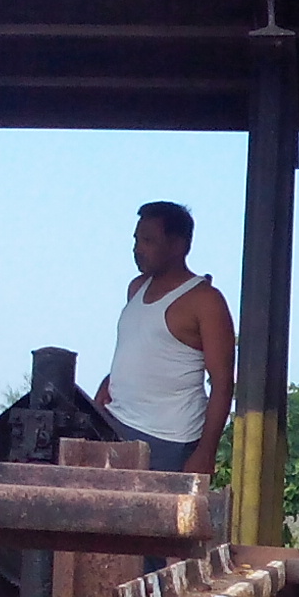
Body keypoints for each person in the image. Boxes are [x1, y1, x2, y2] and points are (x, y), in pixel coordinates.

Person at [98, 199, 235, 474]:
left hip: (169, 440)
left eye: (148, 240)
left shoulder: (205, 301)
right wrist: (104, 390)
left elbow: (222, 383)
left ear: (178, 246)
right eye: (136, 240)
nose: (138, 249)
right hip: (115, 423)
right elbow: (137, 350)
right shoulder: (136, 288)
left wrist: (205, 453)